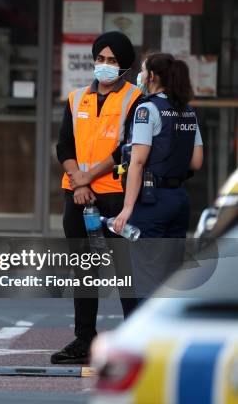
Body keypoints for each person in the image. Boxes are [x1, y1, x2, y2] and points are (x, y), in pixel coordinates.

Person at [53, 31, 142, 365]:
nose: (104, 65)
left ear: (123, 66)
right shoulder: (77, 99)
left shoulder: (135, 98)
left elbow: (128, 149)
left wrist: (88, 178)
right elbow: (64, 144)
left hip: (115, 196)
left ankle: (135, 341)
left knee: (125, 270)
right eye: (101, 59)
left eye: (112, 61)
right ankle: (84, 339)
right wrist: (78, 183)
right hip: (78, 195)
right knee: (84, 270)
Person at [113, 53, 204, 296]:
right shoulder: (188, 111)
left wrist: (127, 207)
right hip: (179, 199)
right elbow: (196, 161)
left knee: (146, 277)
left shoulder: (147, 109)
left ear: (152, 76)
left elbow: (138, 161)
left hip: (152, 201)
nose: (140, 76)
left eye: (143, 71)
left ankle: (147, 334)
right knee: (171, 277)